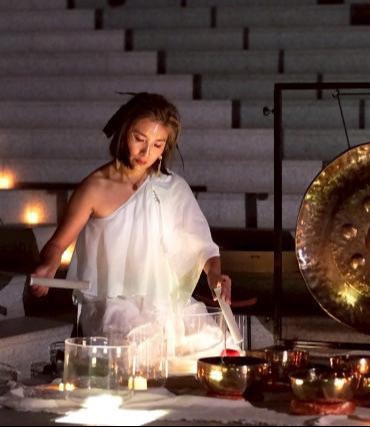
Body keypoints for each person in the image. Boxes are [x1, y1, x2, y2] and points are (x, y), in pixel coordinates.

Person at [30, 93, 231, 338]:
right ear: (125, 131)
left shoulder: (173, 187)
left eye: (157, 145)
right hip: (111, 307)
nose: (146, 152)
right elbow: (57, 244)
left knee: (212, 339)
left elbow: (203, 247)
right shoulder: (95, 188)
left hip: (164, 304)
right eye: (139, 139)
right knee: (137, 341)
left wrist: (215, 275)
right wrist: (49, 264)